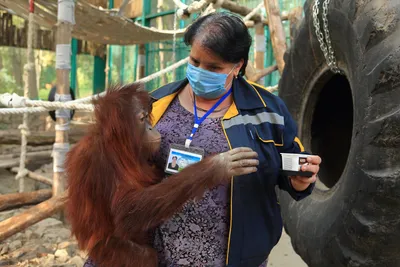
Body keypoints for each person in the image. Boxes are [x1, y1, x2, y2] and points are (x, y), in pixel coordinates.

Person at [150, 12, 321, 267]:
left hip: (235, 258)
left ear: (237, 66)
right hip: (161, 255)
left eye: (213, 67)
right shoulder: (157, 104)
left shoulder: (267, 112)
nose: (199, 72)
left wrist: (299, 181)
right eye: (194, 61)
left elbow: (289, 171)